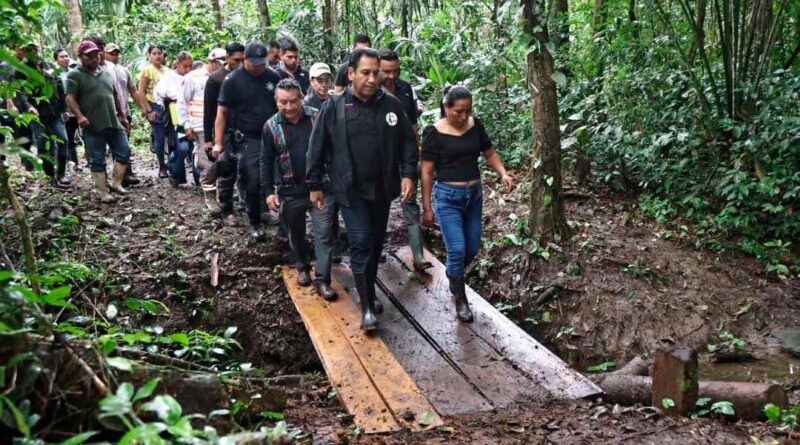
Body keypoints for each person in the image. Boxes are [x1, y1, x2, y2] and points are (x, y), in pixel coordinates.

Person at [307, 48, 418, 332]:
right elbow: (316, 147)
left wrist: (408, 175)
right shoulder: (333, 107)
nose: (372, 79)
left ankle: (368, 290)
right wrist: (315, 185)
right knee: (361, 243)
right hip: (349, 190)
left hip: (381, 189)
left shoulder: (390, 105)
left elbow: (407, 141)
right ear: (351, 73)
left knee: (376, 242)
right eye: (365, 73)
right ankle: (367, 308)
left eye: (375, 73)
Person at [420, 85, 514, 323]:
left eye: (467, 111)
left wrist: (502, 173)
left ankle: (454, 275)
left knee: (471, 247)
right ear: (446, 107)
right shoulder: (433, 132)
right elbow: (427, 172)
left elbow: (489, 153)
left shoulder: (475, 125)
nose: (463, 116)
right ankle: (460, 298)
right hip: (447, 197)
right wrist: (427, 207)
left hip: (474, 195)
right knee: (457, 249)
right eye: (458, 111)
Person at [261, 79, 337, 299]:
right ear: (276, 102)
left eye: (293, 101)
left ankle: (323, 279)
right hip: (289, 190)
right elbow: (266, 161)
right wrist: (268, 192)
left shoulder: (317, 117)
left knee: (324, 234)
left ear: (301, 98)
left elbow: (333, 151)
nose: (289, 107)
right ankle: (302, 266)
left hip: (321, 189)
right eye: (283, 102)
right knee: (296, 233)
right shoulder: (271, 127)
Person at [211, 41, 282, 241]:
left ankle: (279, 219)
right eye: (255, 63)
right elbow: (222, 113)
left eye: (263, 63)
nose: (260, 67)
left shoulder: (273, 77)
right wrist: (218, 142)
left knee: (279, 179)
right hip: (248, 138)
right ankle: (255, 222)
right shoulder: (232, 80)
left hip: (273, 136)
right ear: (245, 60)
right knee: (251, 180)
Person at [377, 49, 431, 270]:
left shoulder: (405, 88)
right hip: (380, 158)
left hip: (404, 154)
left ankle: (418, 255)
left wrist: (416, 150)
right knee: (379, 203)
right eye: (386, 72)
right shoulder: (371, 91)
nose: (391, 76)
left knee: (409, 201)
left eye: (396, 71)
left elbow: (413, 125)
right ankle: (376, 248)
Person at [65, 40, 131, 203]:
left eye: (96, 55)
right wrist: (80, 116)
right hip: (92, 124)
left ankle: (116, 183)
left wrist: (122, 116)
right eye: (89, 56)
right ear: (80, 56)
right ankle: (102, 191)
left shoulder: (105, 73)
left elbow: (115, 95)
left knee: (124, 151)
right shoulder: (74, 75)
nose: (94, 59)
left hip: (112, 120)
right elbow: (70, 98)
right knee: (97, 158)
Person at [179, 48, 225, 214]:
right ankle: (210, 198)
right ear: (211, 62)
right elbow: (182, 102)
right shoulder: (193, 77)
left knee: (222, 161)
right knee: (208, 162)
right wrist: (186, 124)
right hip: (200, 125)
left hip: (221, 125)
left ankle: (220, 194)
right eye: (219, 63)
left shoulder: (226, 76)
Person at [204, 42, 244, 223]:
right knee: (227, 171)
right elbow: (209, 110)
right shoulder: (216, 79)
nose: (241, 64)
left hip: (245, 130)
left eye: (243, 60)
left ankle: (255, 207)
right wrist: (208, 139)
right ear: (227, 58)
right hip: (226, 132)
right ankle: (227, 209)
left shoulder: (248, 76)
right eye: (236, 60)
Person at [104, 43, 154, 185]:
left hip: (124, 112)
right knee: (113, 144)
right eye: (111, 53)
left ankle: (126, 174)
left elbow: (133, 91)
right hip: (108, 112)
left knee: (124, 143)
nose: (114, 56)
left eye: (116, 53)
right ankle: (112, 177)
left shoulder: (124, 71)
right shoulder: (102, 70)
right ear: (105, 54)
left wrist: (142, 107)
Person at [153, 51, 194, 186]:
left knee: (193, 146)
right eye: (185, 66)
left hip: (192, 114)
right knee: (179, 146)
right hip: (174, 114)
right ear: (178, 64)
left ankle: (200, 178)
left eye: (190, 66)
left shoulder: (192, 77)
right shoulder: (168, 77)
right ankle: (176, 175)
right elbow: (159, 93)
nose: (187, 70)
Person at [138, 45, 170, 178]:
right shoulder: (147, 71)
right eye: (154, 53)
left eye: (159, 53)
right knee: (160, 137)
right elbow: (141, 92)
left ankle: (172, 163)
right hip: (154, 105)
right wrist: (148, 110)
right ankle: (162, 166)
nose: (157, 56)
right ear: (150, 56)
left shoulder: (167, 71)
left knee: (171, 135)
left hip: (168, 105)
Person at [54, 47, 82, 172]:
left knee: (84, 136)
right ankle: (73, 163)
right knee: (68, 137)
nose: (65, 59)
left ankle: (87, 161)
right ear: (56, 60)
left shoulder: (74, 72)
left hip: (78, 110)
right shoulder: (54, 75)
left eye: (66, 56)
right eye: (62, 57)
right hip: (64, 111)